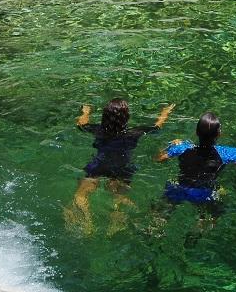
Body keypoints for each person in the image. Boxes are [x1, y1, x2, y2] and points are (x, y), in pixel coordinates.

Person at [66, 98, 175, 234]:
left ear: (104, 116)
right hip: (122, 168)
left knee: (81, 195)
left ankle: (87, 221)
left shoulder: (98, 130)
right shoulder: (135, 133)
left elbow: (81, 124)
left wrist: (86, 111)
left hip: (99, 164)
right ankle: (115, 223)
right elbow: (157, 127)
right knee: (118, 198)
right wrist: (165, 112)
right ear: (127, 117)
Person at [156, 111, 236, 206]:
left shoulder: (181, 147)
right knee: (217, 205)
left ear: (196, 132)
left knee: (160, 216)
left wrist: (171, 145)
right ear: (219, 134)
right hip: (203, 193)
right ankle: (201, 228)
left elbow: (159, 159)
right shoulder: (229, 153)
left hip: (178, 188)